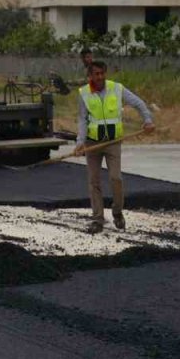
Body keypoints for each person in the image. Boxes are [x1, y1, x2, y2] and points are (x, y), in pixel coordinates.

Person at [76, 61, 154, 234]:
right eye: (96, 74)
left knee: (116, 178)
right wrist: (80, 142)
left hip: (113, 142)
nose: (100, 77)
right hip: (92, 143)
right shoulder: (84, 93)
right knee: (94, 181)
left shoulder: (116, 88)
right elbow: (82, 119)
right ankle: (97, 219)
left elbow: (139, 103)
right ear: (90, 76)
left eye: (102, 73)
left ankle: (117, 212)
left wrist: (147, 120)